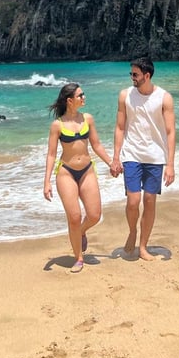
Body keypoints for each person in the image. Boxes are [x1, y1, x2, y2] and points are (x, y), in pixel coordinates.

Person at [110, 56, 176, 261]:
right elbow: (120, 127)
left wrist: (170, 165)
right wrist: (116, 157)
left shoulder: (164, 97)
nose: (132, 77)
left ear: (147, 76)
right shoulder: (125, 96)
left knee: (149, 201)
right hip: (131, 154)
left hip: (155, 156)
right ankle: (132, 231)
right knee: (133, 201)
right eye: (131, 73)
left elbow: (170, 131)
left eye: (135, 74)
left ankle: (144, 246)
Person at [43, 82, 113, 273]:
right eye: (80, 95)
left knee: (94, 215)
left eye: (83, 94)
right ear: (69, 100)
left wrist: (111, 163)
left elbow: (97, 145)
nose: (84, 98)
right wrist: (46, 181)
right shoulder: (57, 125)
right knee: (74, 217)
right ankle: (79, 258)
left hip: (87, 170)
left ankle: (80, 232)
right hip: (66, 172)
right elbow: (51, 154)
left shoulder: (87, 119)